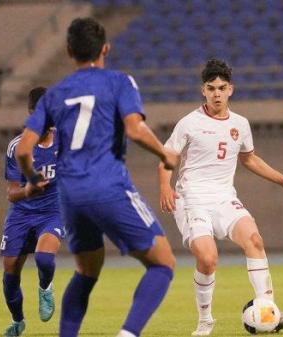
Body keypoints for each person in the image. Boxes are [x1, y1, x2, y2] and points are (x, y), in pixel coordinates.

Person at [14, 18, 179, 337]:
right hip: (108, 186)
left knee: (86, 272)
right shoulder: (119, 82)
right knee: (162, 264)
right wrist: (165, 154)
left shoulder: (54, 95)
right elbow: (134, 129)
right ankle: (127, 334)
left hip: (70, 195)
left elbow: (23, 150)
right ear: (106, 48)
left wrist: (32, 179)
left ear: (69, 50)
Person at [158, 59, 283, 336]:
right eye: (211, 88)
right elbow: (166, 159)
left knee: (254, 240)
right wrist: (166, 187)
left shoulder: (240, 124)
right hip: (193, 199)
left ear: (231, 90)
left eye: (222, 88)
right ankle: (205, 321)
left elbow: (249, 159)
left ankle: (269, 310)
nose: (216, 93)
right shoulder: (189, 123)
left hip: (225, 198)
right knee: (208, 258)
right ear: (203, 90)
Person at [1, 87, 62, 337]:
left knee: (44, 258)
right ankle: (18, 321)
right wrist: (28, 190)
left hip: (53, 211)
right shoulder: (17, 147)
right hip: (21, 214)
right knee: (10, 273)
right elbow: (11, 193)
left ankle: (45, 287)